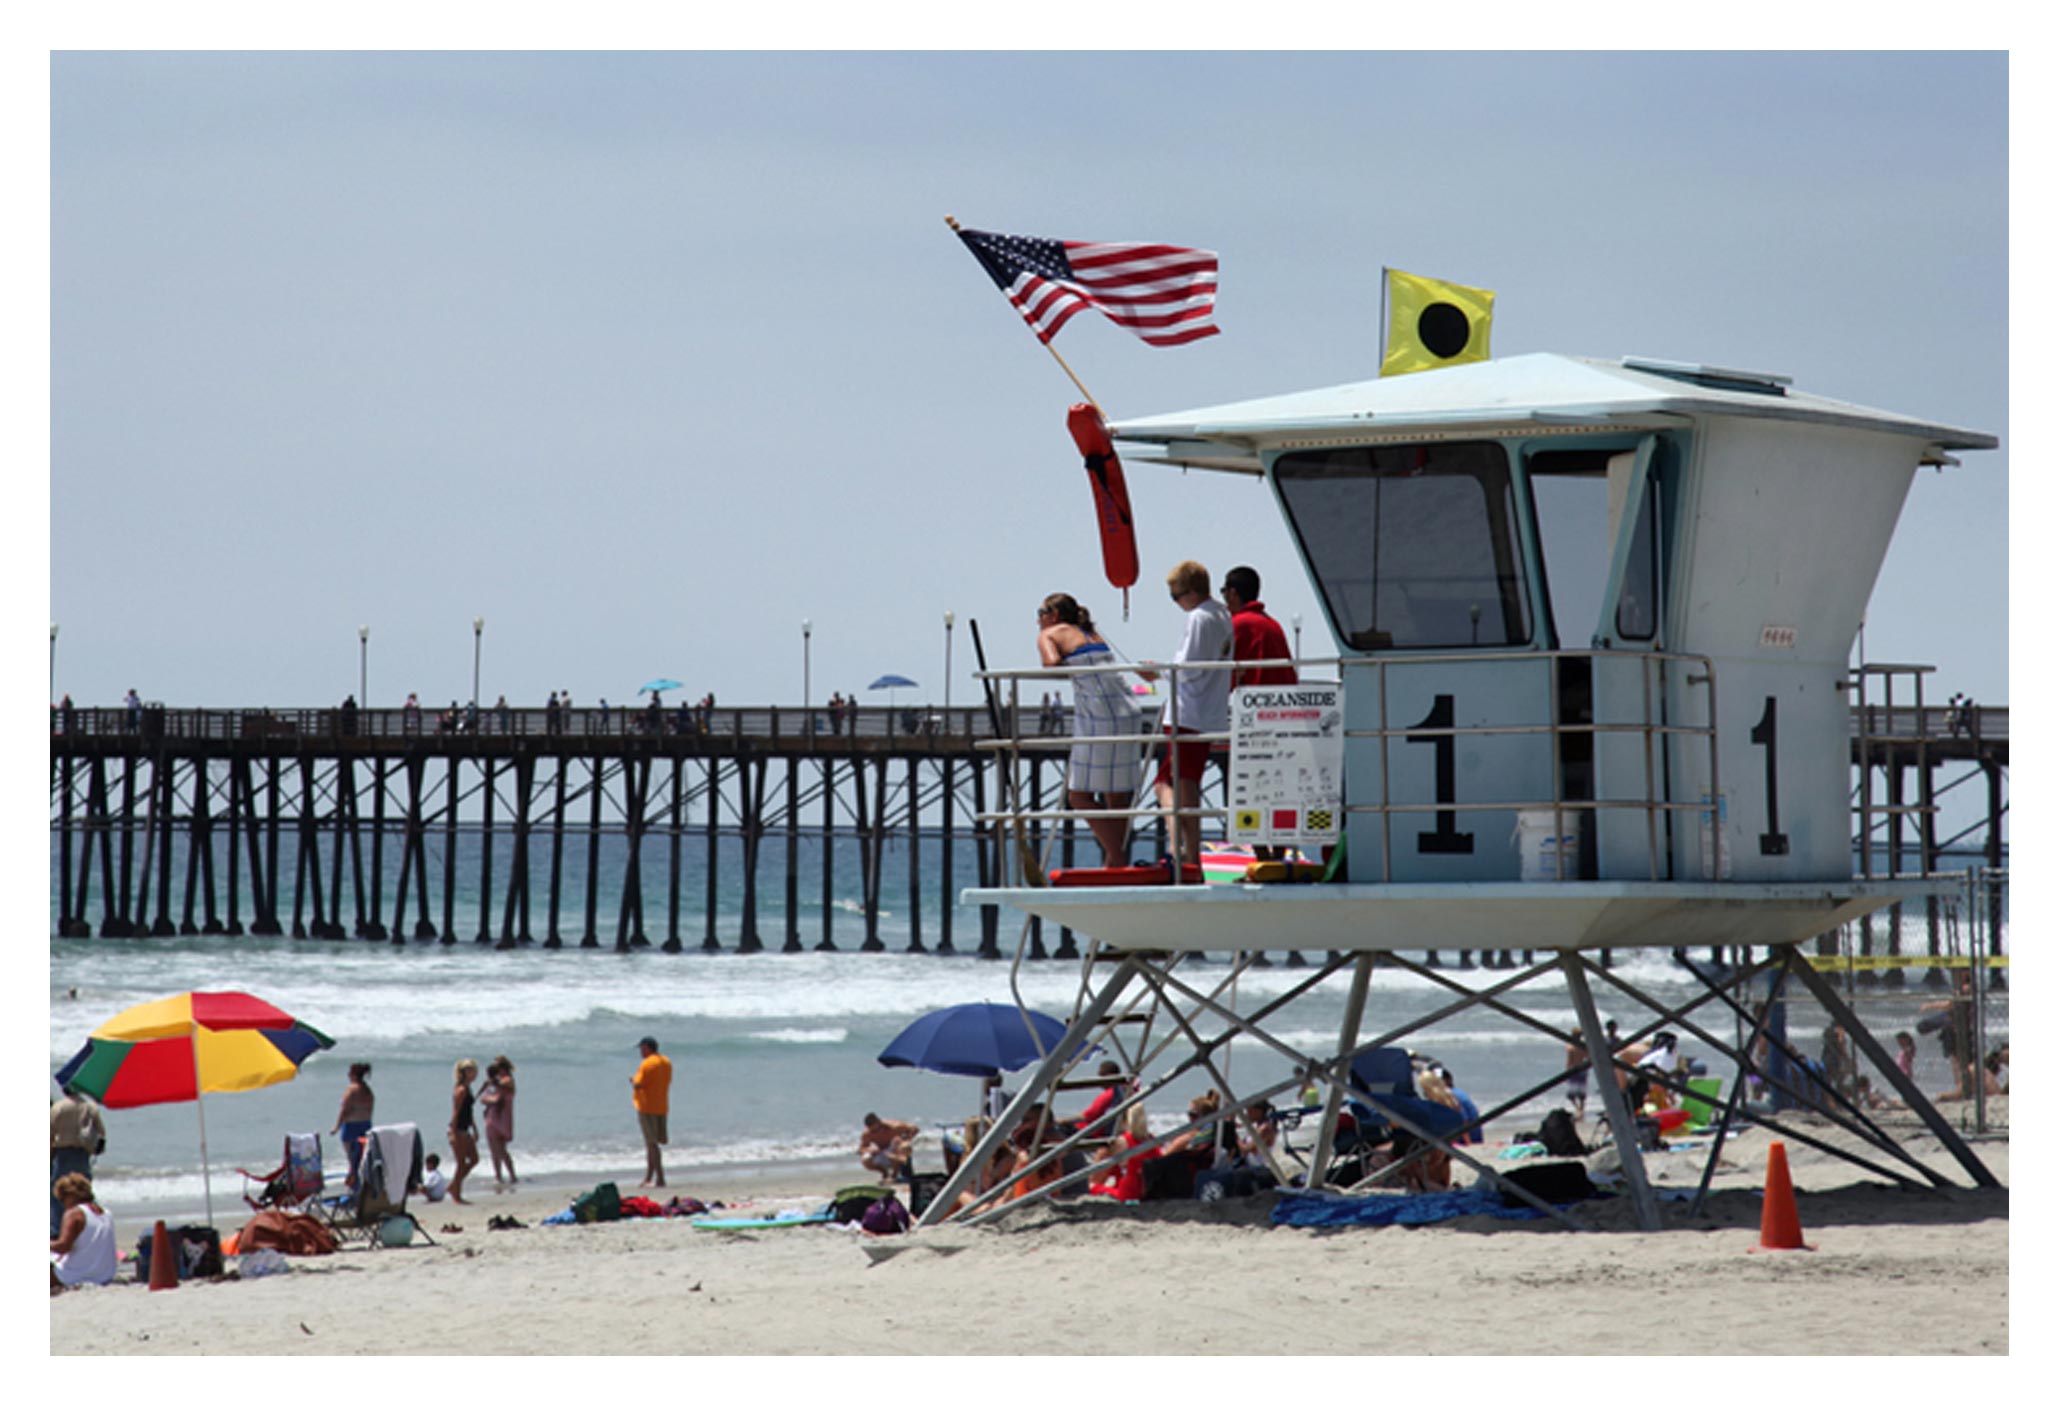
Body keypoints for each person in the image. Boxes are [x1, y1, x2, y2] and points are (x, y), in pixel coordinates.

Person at [1139, 561, 1234, 868]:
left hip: (1188, 713)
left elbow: (1189, 669)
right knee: (1180, 780)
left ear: (1191, 593)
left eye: (1175, 596)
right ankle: (1188, 851)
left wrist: (1157, 672)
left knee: (1173, 783)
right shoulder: (1222, 614)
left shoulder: (1199, 618)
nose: (1176, 603)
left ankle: (1183, 848)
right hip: (1210, 712)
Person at [1038, 592, 1144, 866]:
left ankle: (1117, 858)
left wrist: (1072, 667)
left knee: (1079, 795)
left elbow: (1050, 664)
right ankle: (1114, 861)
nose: (1038, 621)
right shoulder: (1092, 634)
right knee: (1115, 794)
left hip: (1100, 716)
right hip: (1129, 711)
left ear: (1054, 616)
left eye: (1041, 614)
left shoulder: (1051, 634)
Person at [1221, 566, 1298, 690]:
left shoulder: (1237, 624)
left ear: (1232, 593)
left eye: (1223, 591)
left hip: (1255, 704)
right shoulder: (1273, 623)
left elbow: (1220, 668)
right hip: (1284, 702)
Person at [50, 1085, 104, 1238]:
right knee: (83, 1192)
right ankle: (86, 1227)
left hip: (62, 1153)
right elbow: (101, 1133)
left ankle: (57, 1230)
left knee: (57, 1194)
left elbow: (50, 1135)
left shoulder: (58, 1108)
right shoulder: (90, 1108)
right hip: (81, 1153)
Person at [49, 1173, 115, 1293]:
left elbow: (63, 1246)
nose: (63, 1204)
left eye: (62, 1199)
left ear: (70, 1196)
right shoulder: (107, 1214)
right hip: (104, 1275)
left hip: (76, 1275)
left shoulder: (74, 1214)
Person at [632, 1036, 673, 1188]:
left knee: (651, 1144)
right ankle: (649, 1177)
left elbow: (638, 1084)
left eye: (641, 1049)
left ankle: (660, 1178)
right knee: (652, 1144)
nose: (641, 1052)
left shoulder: (647, 1064)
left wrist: (633, 1081)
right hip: (661, 1106)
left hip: (647, 1107)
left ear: (647, 1048)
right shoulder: (666, 1062)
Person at [331, 1062, 374, 1190]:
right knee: (360, 1160)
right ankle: (360, 1189)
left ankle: (354, 1189)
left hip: (351, 1127)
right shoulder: (367, 1090)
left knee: (352, 1161)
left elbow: (345, 1111)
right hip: (366, 1126)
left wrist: (336, 1127)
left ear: (354, 1075)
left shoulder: (351, 1089)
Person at [480, 1055, 518, 1191]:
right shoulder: (497, 1082)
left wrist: (491, 1082)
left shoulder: (508, 1081)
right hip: (493, 1117)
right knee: (494, 1149)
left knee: (501, 1150)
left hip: (502, 1118)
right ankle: (499, 1175)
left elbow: (497, 1095)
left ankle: (511, 1175)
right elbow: (484, 1098)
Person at [448, 1059, 481, 1204]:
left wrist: (474, 1128)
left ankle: (453, 1186)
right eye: (472, 1070)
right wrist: (453, 1132)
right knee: (461, 1163)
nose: (475, 1073)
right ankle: (456, 1193)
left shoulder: (468, 1088)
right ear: (465, 1072)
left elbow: (469, 1111)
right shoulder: (461, 1089)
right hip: (458, 1129)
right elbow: (456, 1111)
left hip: (465, 1128)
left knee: (474, 1159)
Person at [858, 1112, 919, 1182]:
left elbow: (915, 1129)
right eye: (873, 1131)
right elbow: (860, 1149)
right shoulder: (867, 1134)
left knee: (904, 1146)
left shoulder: (894, 1126)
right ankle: (884, 1173)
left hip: (896, 1151)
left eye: (877, 1130)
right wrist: (870, 1149)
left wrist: (906, 1139)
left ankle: (894, 1175)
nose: (876, 1133)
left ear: (879, 1122)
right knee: (866, 1159)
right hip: (882, 1151)